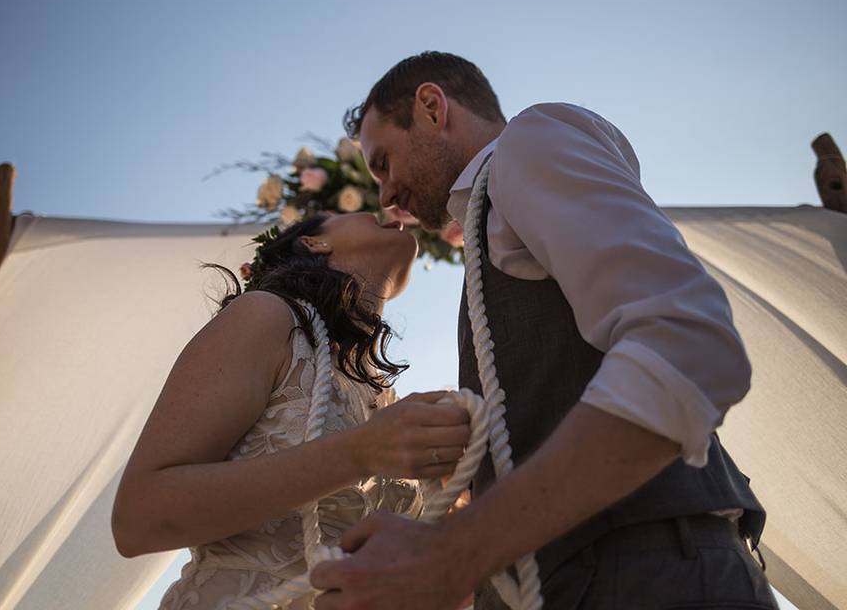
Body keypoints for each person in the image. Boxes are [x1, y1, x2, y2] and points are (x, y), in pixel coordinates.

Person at [309, 52, 779, 609]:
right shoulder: (491, 217)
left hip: (645, 576)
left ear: (432, 108)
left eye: (384, 161)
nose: (385, 196)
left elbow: (689, 344)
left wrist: (453, 552)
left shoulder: (528, 143)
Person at [110, 212, 473, 609]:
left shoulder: (384, 396)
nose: (384, 210)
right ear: (314, 242)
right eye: (358, 213)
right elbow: (137, 518)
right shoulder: (266, 316)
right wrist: (361, 453)